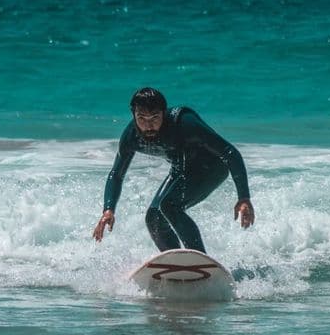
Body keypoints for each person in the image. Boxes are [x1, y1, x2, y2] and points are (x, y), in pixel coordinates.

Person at [92, 87, 254, 254]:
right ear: (134, 115)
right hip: (181, 170)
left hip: (212, 167)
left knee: (169, 205)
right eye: (142, 118)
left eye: (155, 118)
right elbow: (116, 174)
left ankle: (199, 260)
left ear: (163, 113)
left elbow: (229, 152)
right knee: (154, 218)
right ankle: (176, 263)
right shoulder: (131, 136)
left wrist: (243, 197)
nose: (148, 125)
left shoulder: (184, 123)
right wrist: (108, 210)